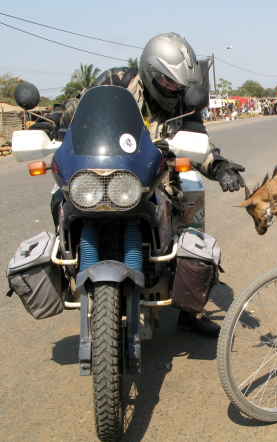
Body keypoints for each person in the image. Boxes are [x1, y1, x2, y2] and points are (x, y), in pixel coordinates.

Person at [31, 32, 246, 338]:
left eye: (180, 85)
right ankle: (65, 266)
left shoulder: (184, 104)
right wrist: (49, 122)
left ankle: (190, 310)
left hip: (153, 181)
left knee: (191, 219)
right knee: (59, 196)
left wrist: (220, 165)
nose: (175, 90)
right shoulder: (115, 81)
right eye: (169, 82)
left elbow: (200, 142)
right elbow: (75, 108)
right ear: (150, 72)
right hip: (98, 173)